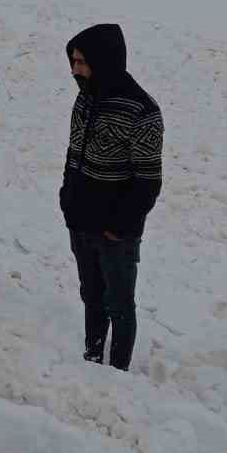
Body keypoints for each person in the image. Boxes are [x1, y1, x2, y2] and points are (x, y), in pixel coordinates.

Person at [61, 23, 164, 372]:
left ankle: (117, 373)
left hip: (116, 232)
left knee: (119, 304)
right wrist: (68, 199)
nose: (75, 70)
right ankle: (91, 362)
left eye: (82, 62)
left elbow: (148, 181)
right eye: (73, 61)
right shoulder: (85, 97)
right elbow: (74, 153)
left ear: (104, 61)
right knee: (91, 297)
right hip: (81, 220)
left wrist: (121, 226)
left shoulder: (142, 111)